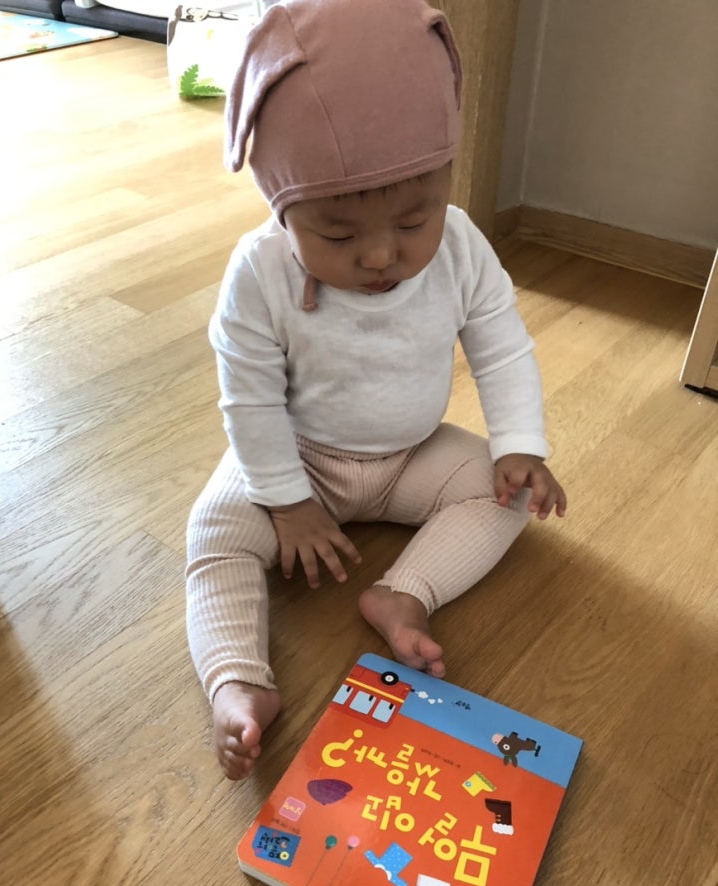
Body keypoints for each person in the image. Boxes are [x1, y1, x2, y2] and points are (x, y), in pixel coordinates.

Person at [186, 0, 567, 780]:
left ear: (445, 182)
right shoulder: (259, 271)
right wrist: (285, 502)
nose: (378, 256)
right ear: (279, 206)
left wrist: (520, 446)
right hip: (297, 459)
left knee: (505, 498)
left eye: (412, 220)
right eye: (336, 234)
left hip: (410, 455)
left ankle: (404, 594)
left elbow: (500, 345)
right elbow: (248, 398)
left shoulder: (460, 246)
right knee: (215, 532)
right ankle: (237, 683)